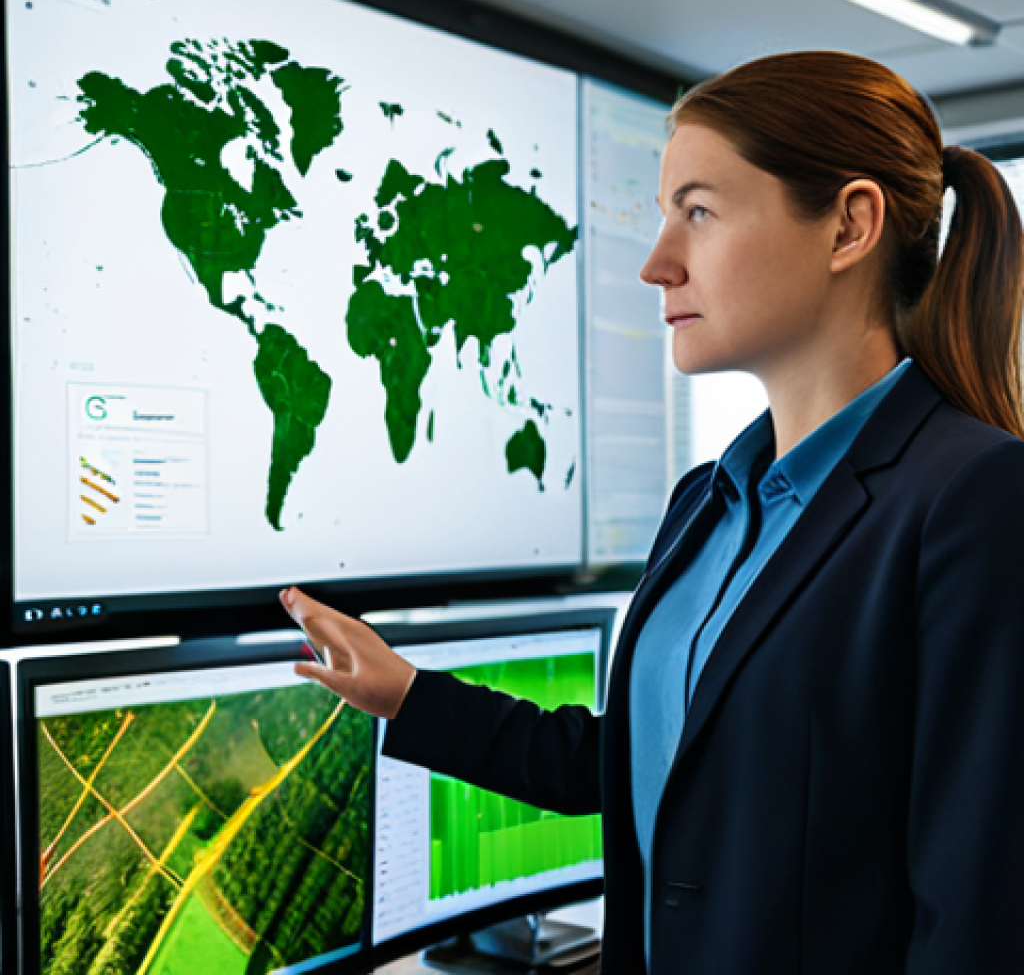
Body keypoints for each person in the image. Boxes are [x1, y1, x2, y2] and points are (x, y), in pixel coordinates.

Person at [280, 51, 1024, 974]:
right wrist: (411, 698)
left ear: (849, 226)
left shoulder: (975, 499)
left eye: (699, 212)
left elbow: (980, 915)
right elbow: (654, 763)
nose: (655, 263)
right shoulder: (707, 503)